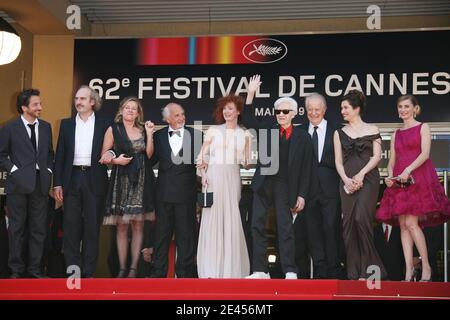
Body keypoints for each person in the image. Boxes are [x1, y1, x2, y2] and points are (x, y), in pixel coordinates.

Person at [242, 75, 313, 280]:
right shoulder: (268, 129)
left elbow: (307, 169)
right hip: (264, 183)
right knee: (257, 225)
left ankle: (290, 270)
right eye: (278, 111)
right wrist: (251, 93)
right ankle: (260, 270)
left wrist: (302, 195)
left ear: (293, 113)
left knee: (285, 227)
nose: (281, 114)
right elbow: (247, 120)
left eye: (285, 111)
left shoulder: (303, 136)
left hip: (286, 186)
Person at [376, 95, 450, 282]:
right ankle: (408, 269)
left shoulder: (423, 127)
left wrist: (408, 170)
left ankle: (425, 265)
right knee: (402, 225)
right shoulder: (395, 134)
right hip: (400, 181)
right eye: (400, 107)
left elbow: (425, 154)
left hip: (419, 178)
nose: (403, 110)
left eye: (406, 106)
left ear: (415, 108)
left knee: (412, 224)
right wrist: (389, 176)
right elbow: (392, 161)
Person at [54, 85, 111, 278]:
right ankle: (73, 274)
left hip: (95, 178)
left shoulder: (105, 124)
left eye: (83, 99)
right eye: (76, 98)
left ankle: (88, 274)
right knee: (70, 228)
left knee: (92, 229)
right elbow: (60, 155)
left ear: (92, 102)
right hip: (72, 179)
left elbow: (112, 149)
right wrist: (58, 183)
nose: (78, 102)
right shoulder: (66, 124)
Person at [0, 89, 54, 278]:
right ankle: (16, 270)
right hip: (17, 186)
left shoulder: (46, 127)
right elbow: (1, 155)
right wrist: (14, 170)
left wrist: (48, 170)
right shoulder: (9, 127)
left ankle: (35, 270)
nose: (40, 107)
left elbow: (49, 153)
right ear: (24, 108)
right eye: (35, 104)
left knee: (39, 230)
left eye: (40, 103)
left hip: (40, 185)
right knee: (16, 229)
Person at [334, 89, 387, 280]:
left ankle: (370, 270)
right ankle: (353, 272)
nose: (342, 111)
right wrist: (346, 179)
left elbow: (377, 156)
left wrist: (361, 174)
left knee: (360, 219)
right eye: (341, 108)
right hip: (347, 182)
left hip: (368, 180)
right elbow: (338, 161)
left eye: (346, 107)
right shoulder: (339, 132)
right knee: (348, 224)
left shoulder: (373, 129)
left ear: (356, 109)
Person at [196, 95, 251, 278]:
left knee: (231, 217)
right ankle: (211, 269)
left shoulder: (245, 134)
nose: (227, 112)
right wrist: (203, 176)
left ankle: (230, 270)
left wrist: (246, 157)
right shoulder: (213, 130)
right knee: (213, 219)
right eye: (224, 109)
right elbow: (201, 158)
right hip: (213, 176)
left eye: (230, 108)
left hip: (232, 177)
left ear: (238, 111)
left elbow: (247, 163)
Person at [100, 97, 156, 278]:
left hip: (141, 180)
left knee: (138, 225)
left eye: (134, 109)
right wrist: (117, 160)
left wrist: (150, 134)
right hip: (121, 180)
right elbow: (104, 156)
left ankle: (133, 268)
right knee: (122, 226)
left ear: (138, 113)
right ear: (121, 110)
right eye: (127, 108)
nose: (130, 111)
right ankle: (122, 268)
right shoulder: (113, 129)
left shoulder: (142, 129)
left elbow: (148, 154)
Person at [150, 102, 202, 278]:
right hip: (163, 194)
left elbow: (205, 163)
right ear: (167, 119)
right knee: (161, 236)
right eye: (177, 115)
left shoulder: (197, 136)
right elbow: (148, 161)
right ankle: (158, 274)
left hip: (186, 194)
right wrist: (148, 136)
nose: (181, 118)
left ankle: (185, 275)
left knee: (186, 236)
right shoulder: (157, 137)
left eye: (182, 114)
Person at [298, 93, 343, 279]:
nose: (314, 113)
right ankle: (320, 269)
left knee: (331, 227)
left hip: (330, 189)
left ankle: (334, 267)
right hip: (307, 191)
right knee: (312, 230)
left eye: (317, 109)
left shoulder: (337, 130)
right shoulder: (299, 132)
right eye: (310, 109)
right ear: (306, 111)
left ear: (324, 110)